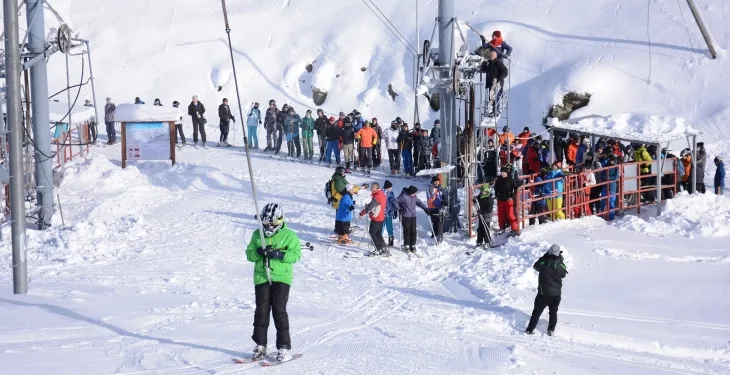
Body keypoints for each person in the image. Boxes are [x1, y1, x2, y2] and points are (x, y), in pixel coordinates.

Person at [245, 203, 301, 363]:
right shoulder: (258, 235)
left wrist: (279, 254)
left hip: (281, 277)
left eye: (273, 223)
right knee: (261, 311)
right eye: (266, 223)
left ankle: (283, 347)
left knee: (279, 310)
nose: (269, 226)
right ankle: (260, 345)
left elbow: (296, 255)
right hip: (262, 276)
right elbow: (249, 254)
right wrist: (257, 252)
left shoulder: (289, 235)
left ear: (280, 220)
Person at [525, 244, 567, 336]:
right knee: (553, 313)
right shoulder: (560, 264)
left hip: (544, 294)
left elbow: (536, 266)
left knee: (536, 312)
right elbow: (563, 274)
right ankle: (551, 330)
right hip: (556, 295)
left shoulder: (544, 262)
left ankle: (530, 329)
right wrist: (560, 259)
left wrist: (545, 256)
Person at [395, 185, 429, 254]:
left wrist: (425, 208)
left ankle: (412, 244)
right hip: (405, 216)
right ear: (410, 193)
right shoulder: (404, 196)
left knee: (413, 231)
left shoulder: (414, 197)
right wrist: (399, 209)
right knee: (407, 230)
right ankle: (406, 245)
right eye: (414, 193)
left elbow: (419, 202)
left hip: (413, 216)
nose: (415, 194)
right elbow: (394, 201)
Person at [360, 183, 388, 256]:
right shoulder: (381, 194)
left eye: (372, 188)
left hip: (376, 217)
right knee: (378, 233)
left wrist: (362, 213)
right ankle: (383, 247)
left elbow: (370, 206)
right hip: (381, 216)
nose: (371, 189)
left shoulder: (377, 196)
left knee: (372, 233)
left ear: (376, 188)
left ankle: (378, 249)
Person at [494, 166, 520, 236]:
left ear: (506, 173)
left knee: (510, 215)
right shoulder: (498, 179)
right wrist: (496, 195)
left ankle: (514, 228)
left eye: (503, 173)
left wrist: (511, 197)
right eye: (501, 173)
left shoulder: (510, 179)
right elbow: (496, 188)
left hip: (508, 200)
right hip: (500, 199)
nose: (502, 174)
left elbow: (516, 188)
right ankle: (502, 228)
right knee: (500, 215)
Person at [482, 51, 508, 117]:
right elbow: (486, 69)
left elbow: (505, 71)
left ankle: (496, 111)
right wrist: (483, 65)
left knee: (496, 96)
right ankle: (494, 110)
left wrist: (500, 77)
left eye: (492, 55)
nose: (490, 56)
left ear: (495, 56)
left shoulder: (498, 63)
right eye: (490, 55)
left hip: (498, 82)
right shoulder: (490, 63)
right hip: (492, 83)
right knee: (492, 97)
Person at [426, 176, 445, 243]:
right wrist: (437, 190)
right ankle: (434, 235)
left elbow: (440, 196)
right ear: (433, 182)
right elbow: (431, 197)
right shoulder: (430, 187)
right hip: (432, 207)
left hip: (438, 207)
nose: (437, 183)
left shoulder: (439, 188)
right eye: (435, 182)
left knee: (439, 221)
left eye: (438, 182)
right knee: (435, 222)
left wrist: (443, 201)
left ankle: (438, 235)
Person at [383, 180, 397, 247]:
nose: (391, 188)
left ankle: (391, 239)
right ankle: (378, 239)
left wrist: (395, 210)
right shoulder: (381, 192)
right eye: (390, 187)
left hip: (389, 213)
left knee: (389, 227)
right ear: (387, 187)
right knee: (381, 227)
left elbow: (393, 202)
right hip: (382, 213)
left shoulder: (391, 193)